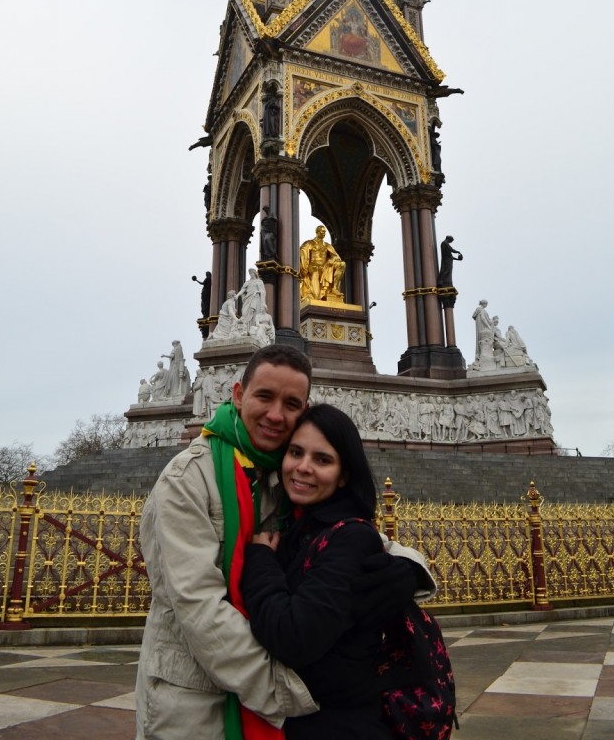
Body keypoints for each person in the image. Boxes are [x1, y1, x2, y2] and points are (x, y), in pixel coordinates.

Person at [135, 345, 318, 739]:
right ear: (237, 394)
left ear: (305, 410)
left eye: (291, 403)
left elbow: (345, 532)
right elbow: (200, 607)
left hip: (270, 691)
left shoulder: (294, 475)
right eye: (264, 396)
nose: (275, 415)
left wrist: (402, 566)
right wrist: (285, 691)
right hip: (193, 702)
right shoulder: (187, 479)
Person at [241, 404, 435, 739]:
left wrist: (259, 561)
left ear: (345, 473)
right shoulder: (301, 526)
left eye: (322, 459)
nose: (303, 468)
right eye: (296, 452)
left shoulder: (348, 535)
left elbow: (293, 637)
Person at [299, 225, 345, 302]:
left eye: (325, 232)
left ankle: (334, 288)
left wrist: (331, 260)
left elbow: (337, 257)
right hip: (312, 267)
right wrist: (304, 267)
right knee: (315, 272)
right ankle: (314, 295)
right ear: (317, 232)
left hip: (324, 268)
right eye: (322, 231)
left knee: (342, 264)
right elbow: (303, 253)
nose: (324, 233)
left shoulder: (327, 245)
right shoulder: (309, 243)